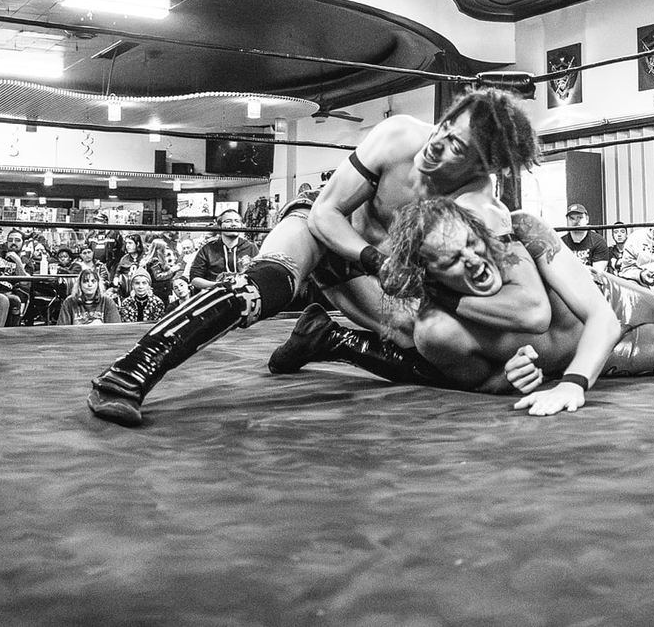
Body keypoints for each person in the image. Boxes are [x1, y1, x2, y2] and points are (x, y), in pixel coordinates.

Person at [88, 86, 547, 426]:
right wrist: (373, 259)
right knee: (265, 282)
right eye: (447, 126)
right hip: (325, 230)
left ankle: (327, 338)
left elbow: (523, 302)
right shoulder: (400, 135)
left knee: (423, 342)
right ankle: (127, 374)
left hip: (379, 276)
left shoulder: (481, 207)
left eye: (458, 147)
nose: (439, 143)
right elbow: (328, 212)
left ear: (483, 167)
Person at [272, 197, 654, 415]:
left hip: (607, 301)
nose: (476, 262)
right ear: (429, 274)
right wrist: (516, 379)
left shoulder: (519, 235)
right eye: (452, 260)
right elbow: (475, 385)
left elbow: (597, 310)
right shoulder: (438, 329)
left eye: (473, 244)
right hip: (616, 353)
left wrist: (573, 383)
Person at [188, 210, 258, 291]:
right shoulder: (207, 249)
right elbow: (194, 279)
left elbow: (260, 276)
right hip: (216, 298)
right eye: (228, 221)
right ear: (219, 226)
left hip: (245, 298)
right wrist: (218, 285)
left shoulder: (251, 248)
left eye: (237, 221)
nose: (233, 224)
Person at [57, 268, 122, 326]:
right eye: (86, 281)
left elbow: (115, 329)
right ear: (80, 284)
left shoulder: (107, 301)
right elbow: (61, 330)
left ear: (98, 284)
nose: (90, 285)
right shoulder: (69, 302)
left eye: (93, 281)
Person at [558, 203, 611, 272]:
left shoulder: (599, 241)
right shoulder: (561, 243)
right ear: (567, 220)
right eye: (571, 218)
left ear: (587, 219)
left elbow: (597, 274)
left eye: (579, 217)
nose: (575, 221)